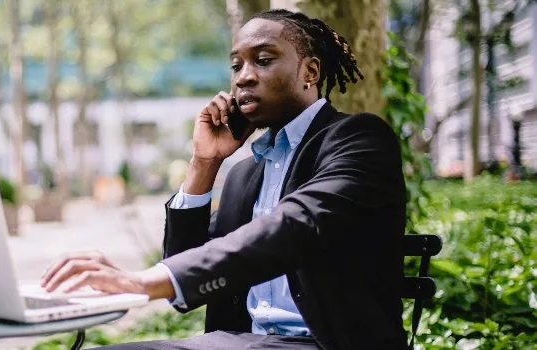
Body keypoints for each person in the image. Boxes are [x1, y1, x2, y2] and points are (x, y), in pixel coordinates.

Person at [40, 8, 407, 350]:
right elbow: (189, 275)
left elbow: (296, 224)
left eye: (263, 61)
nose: (244, 76)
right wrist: (204, 163)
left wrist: (143, 281)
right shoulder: (245, 174)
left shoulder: (358, 139)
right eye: (236, 66)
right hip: (243, 342)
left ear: (310, 72)